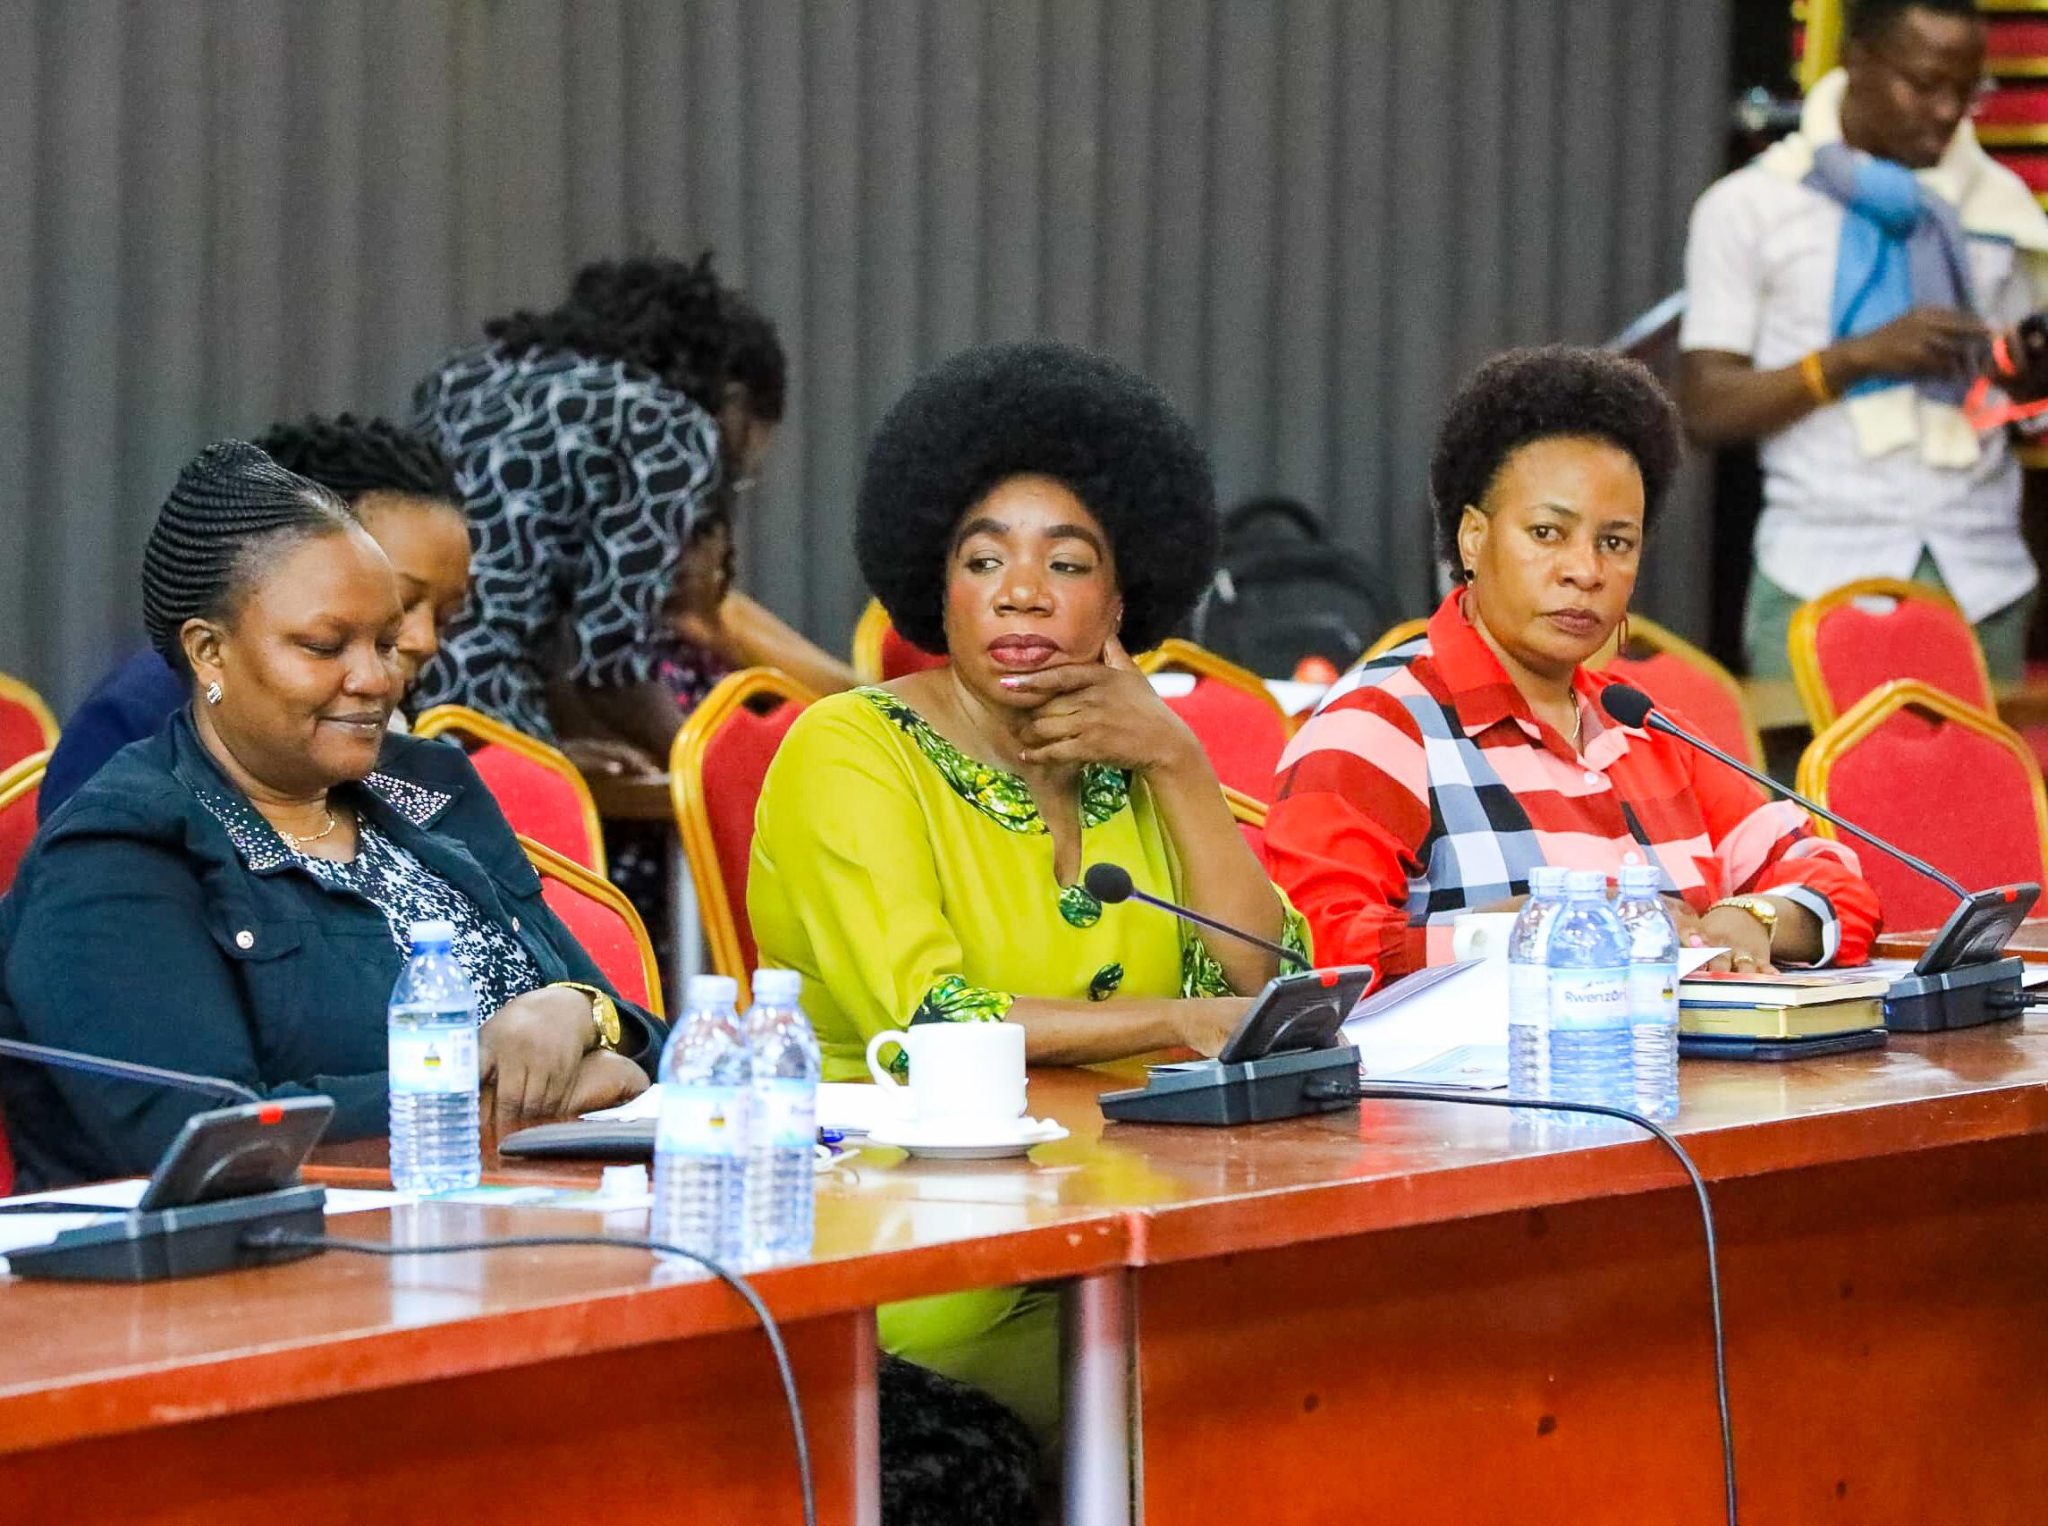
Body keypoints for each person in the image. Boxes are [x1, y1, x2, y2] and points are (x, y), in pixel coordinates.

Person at [748, 340, 1309, 1469]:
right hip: (919, 1247)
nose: (1020, 590)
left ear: (1120, 597)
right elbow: (937, 1021)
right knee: (1227, 1401)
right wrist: (1173, 1019)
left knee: (1331, 1345)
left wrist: (1180, 763)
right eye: (982, 557)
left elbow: (1263, 983)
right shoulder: (846, 752)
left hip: (1136, 1219)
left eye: (1066, 561)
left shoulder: (1133, 764)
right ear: (937, 584)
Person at [0, 442, 657, 1190]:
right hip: (269, 1255)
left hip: (533, 1222)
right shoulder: (119, 849)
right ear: (209, 652)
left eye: (384, 642)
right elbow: (206, 1135)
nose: (376, 678)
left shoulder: (428, 787)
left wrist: (581, 1014)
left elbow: (649, 1044)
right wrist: (499, 1094)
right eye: (324, 646)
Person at [1265, 346, 1882, 983]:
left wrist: (1751, 918)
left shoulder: (1643, 730)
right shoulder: (1378, 723)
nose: (1586, 571)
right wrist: (1537, 930)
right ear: (1473, 538)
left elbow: (1837, 884)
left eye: (1615, 542)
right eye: (1547, 533)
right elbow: (1316, 953)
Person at [1680, 0, 2048, 679]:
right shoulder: (1752, 206)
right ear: (1856, 60)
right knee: (1810, 758)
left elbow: (2021, 412)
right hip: (1818, 575)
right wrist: (1855, 359)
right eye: (1924, 84)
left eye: (1967, 91)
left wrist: (2024, 383)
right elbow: (1705, 406)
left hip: (1982, 579)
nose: (1947, 112)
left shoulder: (2001, 210)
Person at [411, 253, 851, 775]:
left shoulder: (461, 379)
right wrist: (705, 775)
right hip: (495, 741)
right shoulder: (665, 426)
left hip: (402, 704)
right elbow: (608, 661)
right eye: (740, 467)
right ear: (733, 403)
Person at [40, 414, 473, 814]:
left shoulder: (404, 744)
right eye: (401, 602)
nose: (425, 641)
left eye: (445, 617)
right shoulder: (137, 720)